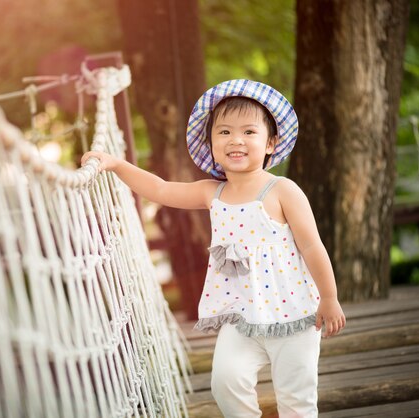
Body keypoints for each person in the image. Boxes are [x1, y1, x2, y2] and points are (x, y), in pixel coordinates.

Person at [81, 79, 346, 417]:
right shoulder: (212, 193)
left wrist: (329, 297)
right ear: (211, 143)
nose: (236, 140)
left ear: (270, 143)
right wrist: (117, 164)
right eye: (224, 132)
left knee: (297, 399)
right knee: (225, 381)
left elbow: (311, 246)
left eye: (249, 132)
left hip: (293, 313)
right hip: (241, 316)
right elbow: (160, 189)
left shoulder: (282, 190)